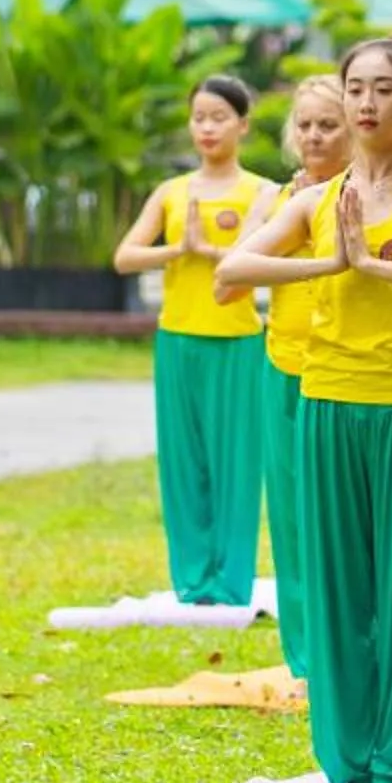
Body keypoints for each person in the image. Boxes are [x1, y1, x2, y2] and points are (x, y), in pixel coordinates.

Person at [219, 36, 392, 783]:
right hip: (327, 405)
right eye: (355, 89)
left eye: (382, 91)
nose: (366, 104)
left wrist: (373, 265)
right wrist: (327, 264)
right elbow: (235, 272)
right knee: (338, 591)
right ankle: (349, 769)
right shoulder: (314, 202)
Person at [113, 76, 278, 607]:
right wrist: (176, 251)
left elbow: (250, 255)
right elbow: (125, 257)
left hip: (236, 341)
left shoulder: (263, 192)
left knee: (236, 462)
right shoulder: (171, 192)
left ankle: (231, 581)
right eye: (199, 117)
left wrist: (208, 250)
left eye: (219, 118)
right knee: (184, 463)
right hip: (177, 340)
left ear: (243, 125)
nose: (207, 128)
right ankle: (192, 579)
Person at [222, 75, 352, 681]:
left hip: (348, 376)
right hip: (284, 369)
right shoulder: (277, 201)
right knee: (294, 522)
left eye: (328, 125)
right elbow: (229, 284)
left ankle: (352, 644)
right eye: (304, 125)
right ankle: (306, 659)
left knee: (344, 522)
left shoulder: (366, 197)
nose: (314, 136)